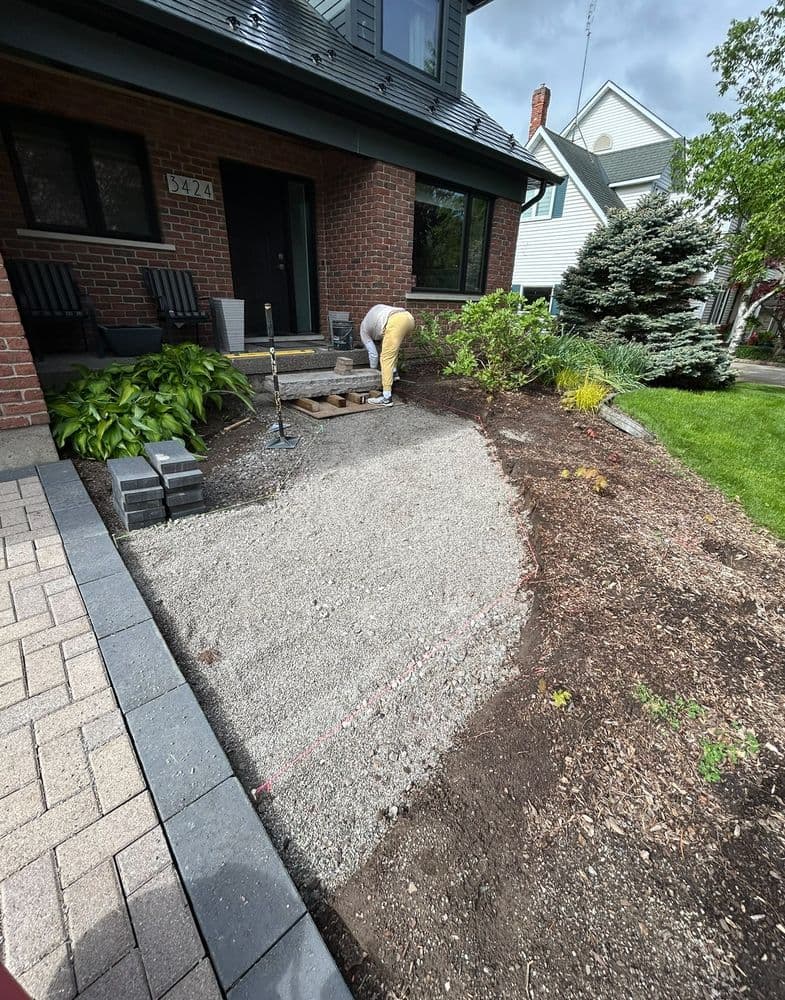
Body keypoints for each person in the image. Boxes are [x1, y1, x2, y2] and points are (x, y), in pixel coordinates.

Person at [358, 304, 415, 406]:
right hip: (408, 318)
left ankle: (386, 398)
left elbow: (373, 354)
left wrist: (373, 371)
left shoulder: (363, 331)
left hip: (395, 321)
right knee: (392, 350)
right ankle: (394, 373)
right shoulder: (373, 315)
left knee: (386, 358)